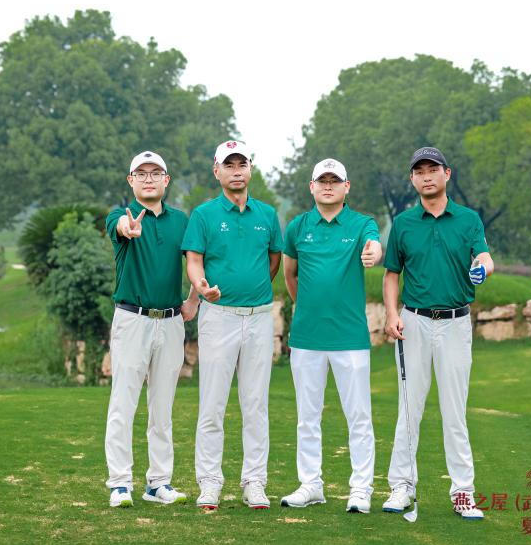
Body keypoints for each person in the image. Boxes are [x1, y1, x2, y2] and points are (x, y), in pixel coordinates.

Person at [381, 146, 494, 520]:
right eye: (419, 171)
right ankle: (401, 486)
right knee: (409, 408)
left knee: (454, 412)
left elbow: (484, 257)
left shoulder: (468, 220)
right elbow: (392, 275)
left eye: (433, 169)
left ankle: (463, 492)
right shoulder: (403, 223)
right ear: (412, 179)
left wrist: (482, 268)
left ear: (447, 174)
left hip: (456, 323)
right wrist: (392, 314)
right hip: (413, 322)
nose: (426, 176)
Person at [181, 140, 283, 510]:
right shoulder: (204, 215)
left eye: (242, 164)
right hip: (218, 317)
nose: (236, 171)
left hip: (258, 317)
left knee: (255, 405)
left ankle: (254, 482)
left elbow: (273, 260)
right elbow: (194, 260)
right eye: (229, 165)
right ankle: (210, 482)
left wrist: (252, 287)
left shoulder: (267, 214)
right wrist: (200, 286)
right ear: (217, 171)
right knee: (212, 404)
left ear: (250, 169)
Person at [280, 158, 382, 513]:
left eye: (334, 180)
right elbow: (290, 274)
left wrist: (372, 253)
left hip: (349, 337)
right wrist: (307, 307)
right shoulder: (298, 227)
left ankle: (361, 489)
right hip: (306, 337)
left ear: (346, 186)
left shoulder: (361, 224)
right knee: (307, 418)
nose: (327, 186)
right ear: (311, 187)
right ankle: (311, 485)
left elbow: (374, 245)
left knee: (359, 417)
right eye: (321, 180)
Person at [104, 150, 199, 508]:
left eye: (155, 173)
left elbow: (196, 261)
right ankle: (119, 483)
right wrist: (128, 228)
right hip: (133, 319)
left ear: (166, 180)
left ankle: (158, 483)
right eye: (141, 174)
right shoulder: (120, 215)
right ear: (131, 181)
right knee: (123, 403)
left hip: (171, 322)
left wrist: (194, 299)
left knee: (162, 408)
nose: (148, 179)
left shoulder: (181, 221)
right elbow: (120, 227)